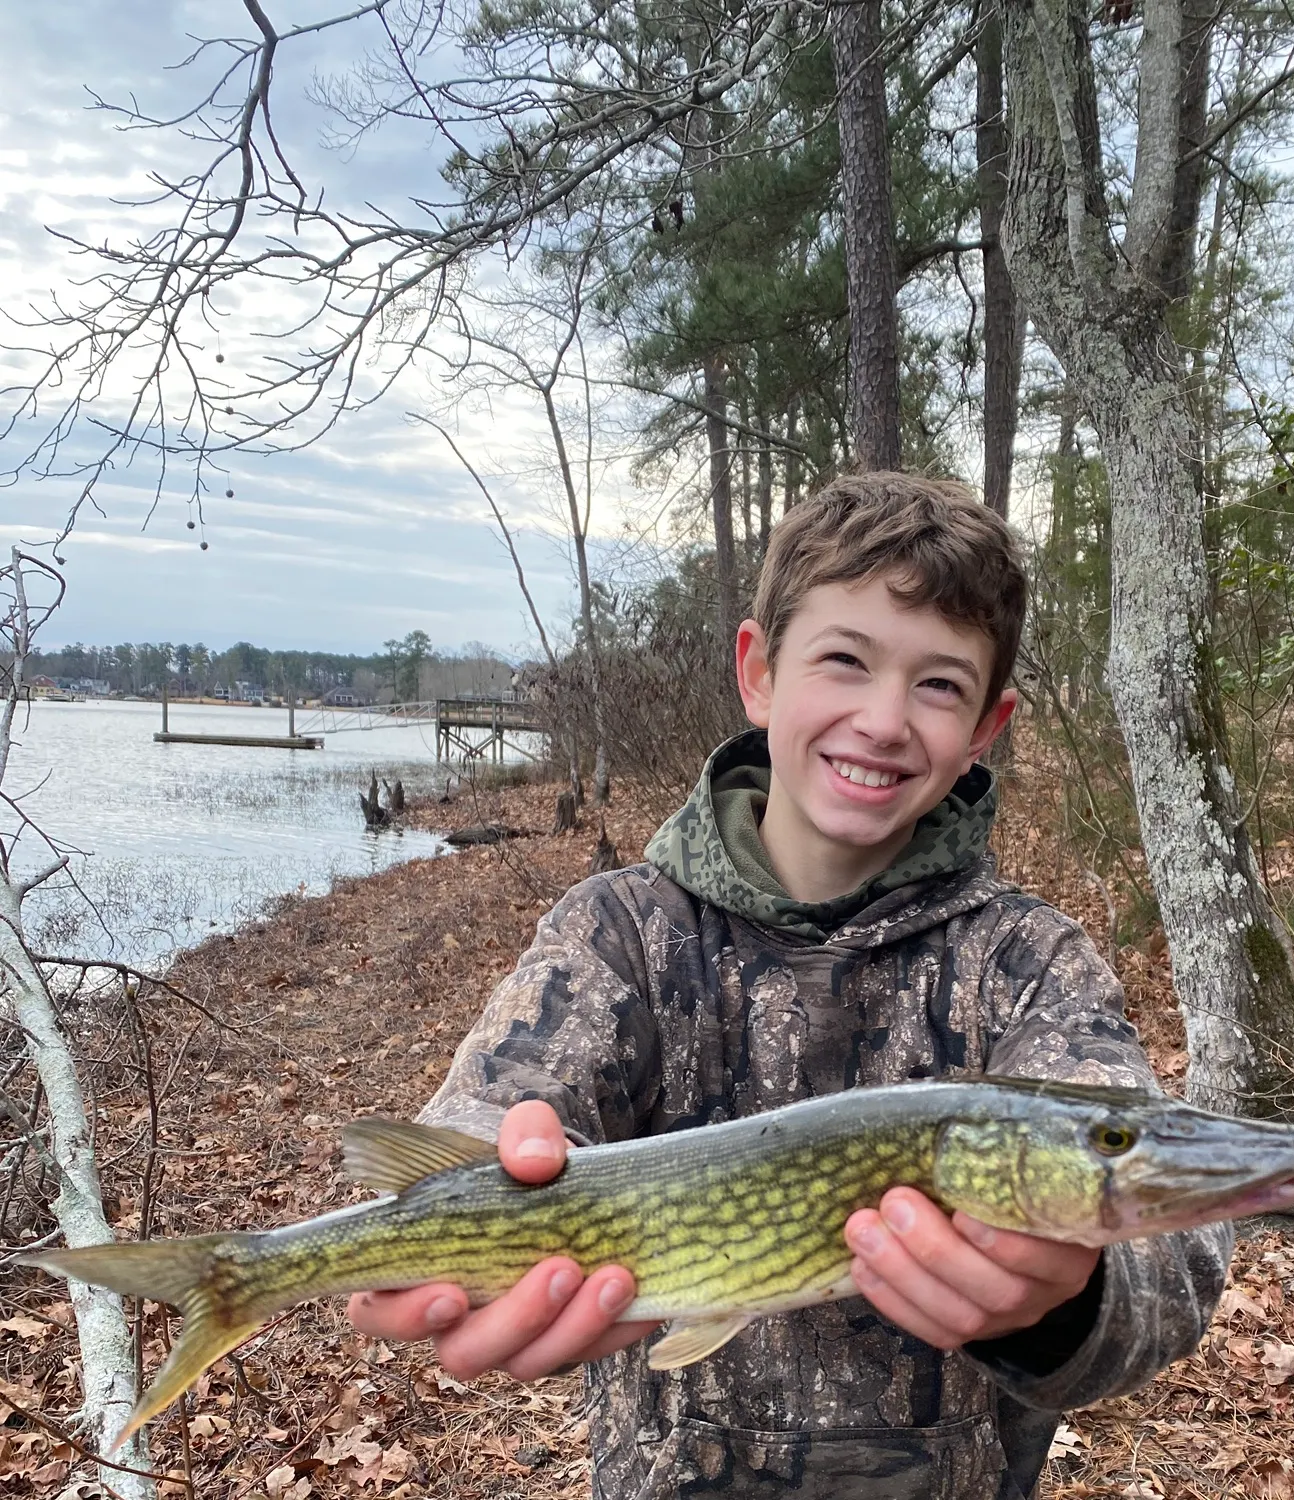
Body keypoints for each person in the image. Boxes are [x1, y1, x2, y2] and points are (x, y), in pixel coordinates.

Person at [348, 472, 1231, 1499]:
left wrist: (1066, 1299)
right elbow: (493, 1112)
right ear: (758, 672)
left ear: (988, 727)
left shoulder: (1031, 964)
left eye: (939, 685)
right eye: (844, 661)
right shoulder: (617, 934)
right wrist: (447, 1215)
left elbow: (1173, 1267)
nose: (885, 719)